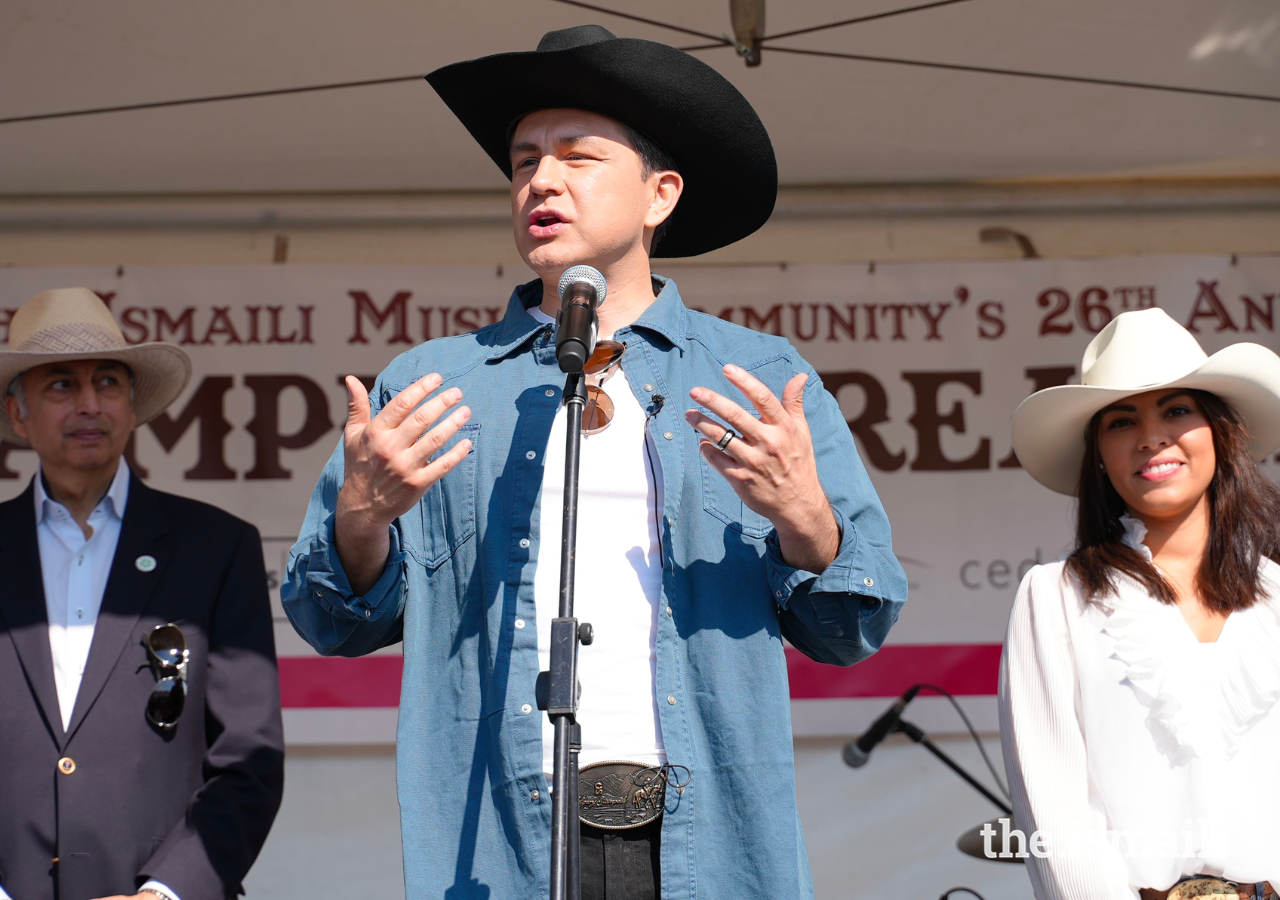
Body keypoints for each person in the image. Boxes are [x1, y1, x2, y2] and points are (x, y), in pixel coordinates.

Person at [283, 24, 905, 900]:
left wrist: (805, 519)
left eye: (577, 157)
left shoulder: (761, 378)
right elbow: (331, 622)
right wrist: (362, 517)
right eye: (522, 161)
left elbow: (852, 627)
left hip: (705, 837)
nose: (540, 179)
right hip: (504, 837)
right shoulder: (428, 384)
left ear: (660, 194)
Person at [0, 289, 284, 900]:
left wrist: (166, 893)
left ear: (132, 408)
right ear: (18, 415)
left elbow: (249, 761)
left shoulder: (217, 548)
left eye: (107, 382)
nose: (89, 404)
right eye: (60, 386)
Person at [999, 307, 1280, 899]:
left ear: (1219, 431)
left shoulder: (1277, 595)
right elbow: (1053, 809)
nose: (1152, 436)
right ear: (1099, 454)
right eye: (1122, 422)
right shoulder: (1056, 597)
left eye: (1177, 410)